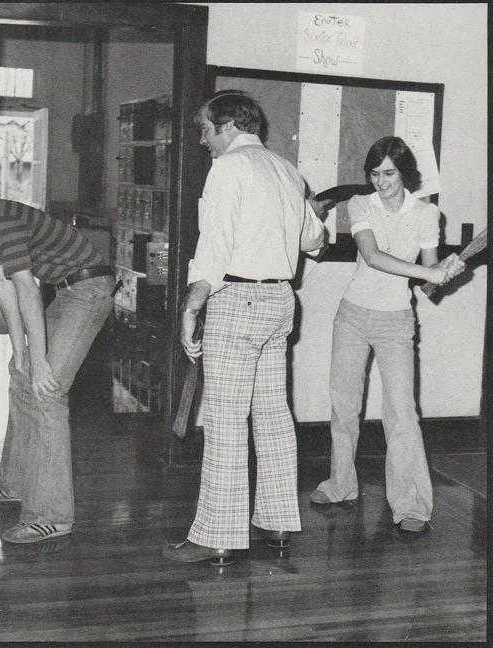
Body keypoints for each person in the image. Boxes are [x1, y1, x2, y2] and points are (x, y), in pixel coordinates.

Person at [162, 90, 327, 565]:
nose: (201, 139)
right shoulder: (287, 170)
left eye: (204, 129)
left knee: (226, 420)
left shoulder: (229, 169)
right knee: (273, 414)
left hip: (238, 298)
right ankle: (276, 524)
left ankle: (218, 534)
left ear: (228, 126)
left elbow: (214, 243)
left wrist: (192, 306)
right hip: (279, 301)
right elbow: (314, 238)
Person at [0, 153, 115, 544]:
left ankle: (51, 515)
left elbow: (28, 288)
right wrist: (21, 350)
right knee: (21, 374)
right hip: (66, 289)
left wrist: (42, 359)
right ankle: (13, 486)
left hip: (88, 288)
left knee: (47, 392)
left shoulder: (0, 221)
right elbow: (4, 285)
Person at [309, 136, 465, 534]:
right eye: (375, 174)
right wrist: (428, 273)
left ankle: (412, 505)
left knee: (402, 412)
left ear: (405, 172)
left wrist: (444, 271)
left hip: (396, 320)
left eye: (389, 173)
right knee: (344, 405)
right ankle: (340, 485)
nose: (381, 182)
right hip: (353, 315)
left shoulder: (427, 214)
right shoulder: (361, 204)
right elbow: (373, 256)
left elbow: (430, 279)